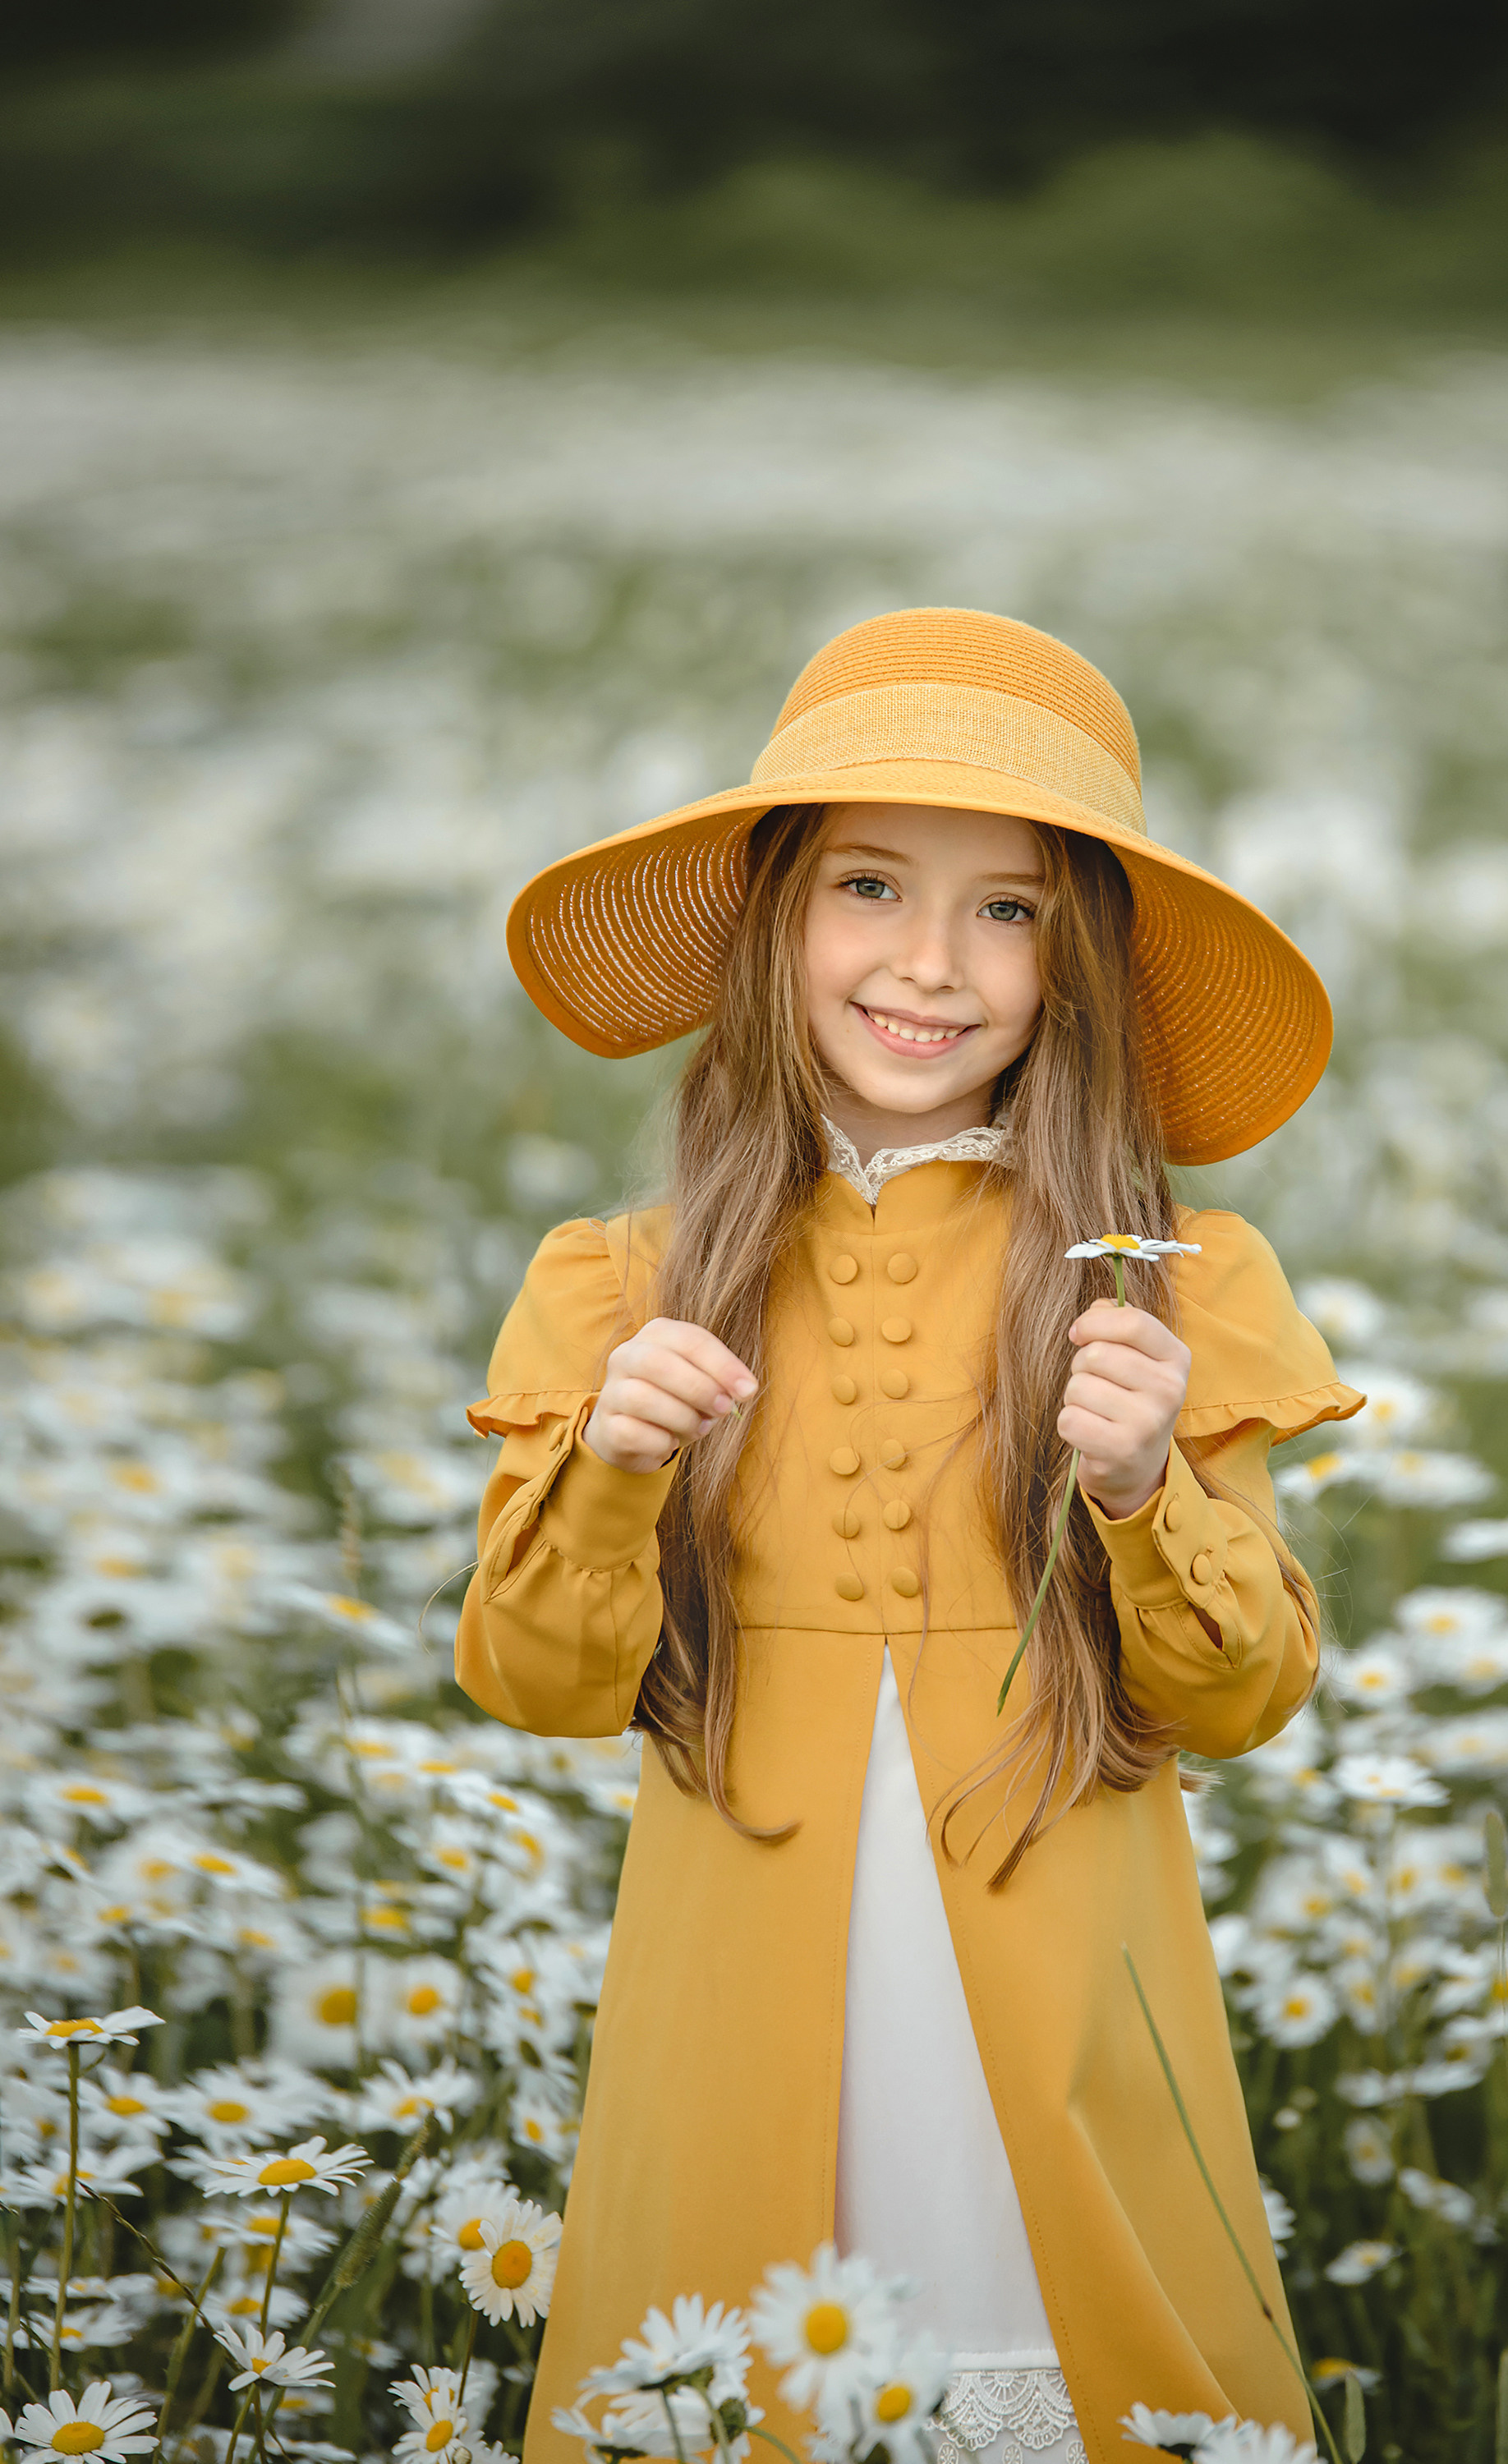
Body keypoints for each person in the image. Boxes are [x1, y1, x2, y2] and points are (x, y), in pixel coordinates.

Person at [457, 607, 1365, 2464]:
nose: (931, 964)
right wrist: (618, 1462)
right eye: (870, 886)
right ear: (776, 920)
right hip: (738, 1994)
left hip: (1058, 1989)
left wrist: (1139, 1493)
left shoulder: (1177, 1286)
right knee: (735, 2379)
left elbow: (1247, 1694)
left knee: (1061, 2375)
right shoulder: (623, 1284)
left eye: (1010, 909)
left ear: (1079, 964)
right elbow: (537, 1685)